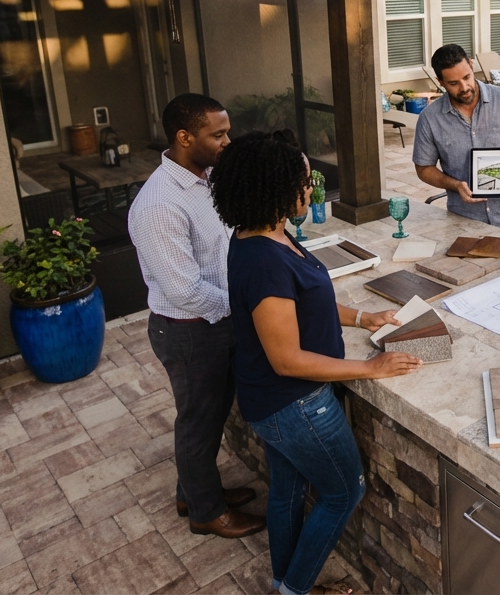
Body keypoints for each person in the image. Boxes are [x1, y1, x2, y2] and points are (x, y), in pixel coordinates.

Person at [212, 130, 422, 595]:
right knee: (344, 491)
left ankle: (285, 583)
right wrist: (370, 368)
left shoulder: (264, 233)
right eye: (305, 181)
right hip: (294, 404)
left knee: (287, 489)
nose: (312, 188)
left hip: (272, 402)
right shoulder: (265, 261)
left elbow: (306, 301)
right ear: (275, 188)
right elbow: (287, 360)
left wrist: (363, 317)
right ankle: (295, 588)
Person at [128, 94, 264, 538]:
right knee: (198, 422)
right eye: (218, 135)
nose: (228, 142)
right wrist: (245, 308)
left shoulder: (205, 179)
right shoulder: (159, 205)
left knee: (210, 417)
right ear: (185, 137)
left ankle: (193, 492)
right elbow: (184, 290)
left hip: (214, 323)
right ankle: (206, 512)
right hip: (189, 331)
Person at [413, 43, 500, 233]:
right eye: (453, 83)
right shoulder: (429, 118)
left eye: (467, 77)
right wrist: (455, 185)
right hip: (463, 223)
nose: (464, 87)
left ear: (472, 65)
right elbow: (424, 168)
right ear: (440, 82)